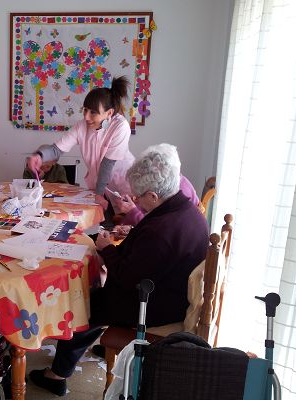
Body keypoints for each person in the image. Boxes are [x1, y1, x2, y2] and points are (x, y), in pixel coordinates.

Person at [29, 144, 209, 396]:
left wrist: (107, 249)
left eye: (138, 197)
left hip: (155, 307)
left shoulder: (162, 231)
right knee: (95, 296)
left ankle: (57, 375)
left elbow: (125, 277)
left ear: (154, 196)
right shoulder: (186, 210)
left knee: (83, 304)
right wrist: (134, 233)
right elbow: (153, 252)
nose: (135, 201)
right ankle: (76, 356)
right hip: (171, 294)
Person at [26, 76, 135, 211]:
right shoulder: (81, 126)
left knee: (124, 220)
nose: (86, 117)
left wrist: (99, 193)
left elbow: (107, 164)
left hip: (124, 183)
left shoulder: (120, 126)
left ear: (109, 113)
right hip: (101, 186)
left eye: (93, 112)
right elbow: (56, 150)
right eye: (85, 110)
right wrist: (39, 156)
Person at [111, 143, 200, 229]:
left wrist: (133, 212)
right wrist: (138, 202)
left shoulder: (180, 193)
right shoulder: (168, 184)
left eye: (139, 195)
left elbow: (157, 228)